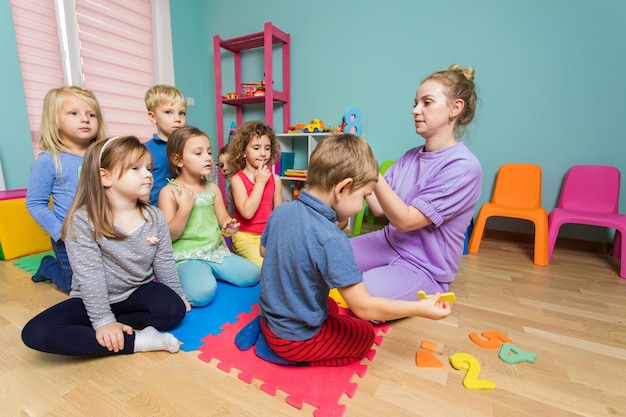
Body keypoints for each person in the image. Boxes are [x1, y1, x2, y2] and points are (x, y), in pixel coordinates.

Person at [236, 134, 452, 367]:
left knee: (330, 305)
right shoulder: (332, 239)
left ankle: (264, 329)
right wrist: (420, 308)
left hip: (270, 316)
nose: (362, 206)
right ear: (343, 188)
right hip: (293, 340)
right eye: (364, 196)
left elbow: (263, 251)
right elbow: (363, 307)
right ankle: (278, 353)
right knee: (364, 335)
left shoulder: (281, 212)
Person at [22, 136, 191, 356]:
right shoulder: (83, 220)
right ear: (105, 177)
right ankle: (137, 341)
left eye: (149, 168)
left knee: (174, 310)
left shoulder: (155, 217)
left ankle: (113, 329)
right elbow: (90, 274)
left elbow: (164, 261)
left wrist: (179, 294)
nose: (148, 174)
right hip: (94, 298)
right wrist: (102, 320)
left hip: (137, 292)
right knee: (36, 332)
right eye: (135, 168)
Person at [350, 64, 482, 300]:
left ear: (455, 108)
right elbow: (380, 208)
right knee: (328, 257)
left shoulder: (463, 167)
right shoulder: (410, 156)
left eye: (427, 102)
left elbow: (406, 221)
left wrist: (372, 168)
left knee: (363, 293)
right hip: (388, 242)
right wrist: (357, 168)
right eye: (415, 103)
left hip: (425, 268)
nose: (415, 110)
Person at [158, 126, 260, 307]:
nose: (207, 158)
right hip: (187, 256)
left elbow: (222, 217)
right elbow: (170, 236)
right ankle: (198, 274)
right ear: (178, 160)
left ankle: (208, 271)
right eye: (198, 153)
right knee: (202, 296)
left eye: (209, 152)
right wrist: (185, 209)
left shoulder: (212, 187)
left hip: (215, 251)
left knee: (254, 275)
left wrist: (228, 226)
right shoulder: (169, 192)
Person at [26, 86, 107, 293]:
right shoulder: (49, 161)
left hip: (103, 233)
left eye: (91, 114)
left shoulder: (103, 156)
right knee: (82, 290)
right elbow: (35, 203)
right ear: (55, 120)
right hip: (70, 239)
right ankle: (48, 266)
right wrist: (61, 233)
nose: (85, 119)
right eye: (74, 113)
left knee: (108, 282)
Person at [228, 120, 282, 267]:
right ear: (243, 152)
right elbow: (247, 212)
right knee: (267, 268)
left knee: (290, 263)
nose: (263, 153)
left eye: (267, 148)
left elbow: (279, 214)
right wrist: (260, 183)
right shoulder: (237, 180)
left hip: (268, 237)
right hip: (246, 236)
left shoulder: (275, 180)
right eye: (256, 148)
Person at [144, 84, 187, 206]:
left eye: (182, 113)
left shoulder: (189, 148)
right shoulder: (145, 151)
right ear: (153, 117)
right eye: (169, 112)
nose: (177, 119)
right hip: (158, 214)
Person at [217, 143, 235, 216]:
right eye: (221, 165)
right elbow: (231, 214)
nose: (224, 168)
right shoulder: (229, 191)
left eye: (229, 163)